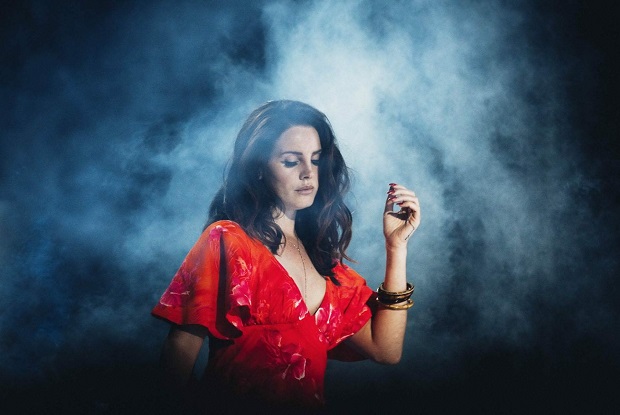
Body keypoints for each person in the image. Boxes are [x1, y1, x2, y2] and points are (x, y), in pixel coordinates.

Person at [151, 100, 421, 412]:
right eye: (291, 162)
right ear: (258, 169)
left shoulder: (326, 265)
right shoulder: (229, 241)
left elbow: (385, 350)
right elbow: (180, 350)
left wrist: (396, 247)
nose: (308, 173)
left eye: (315, 160)